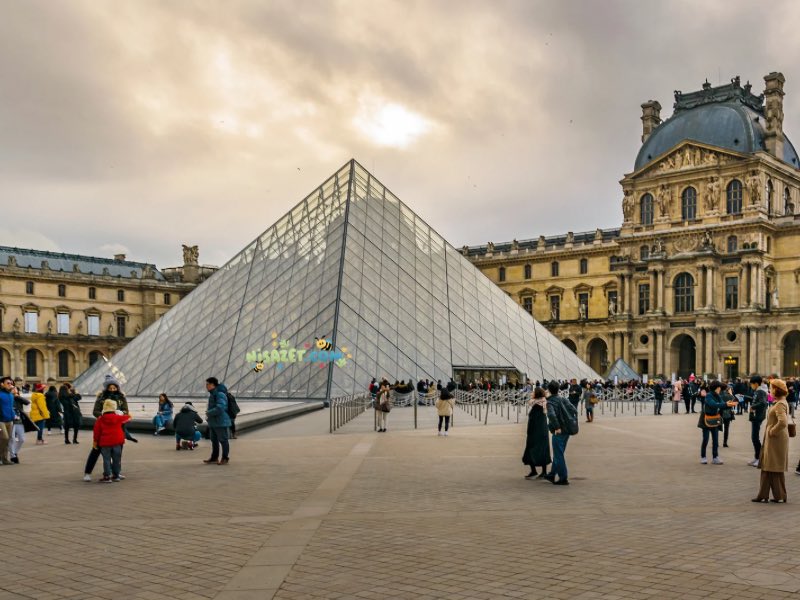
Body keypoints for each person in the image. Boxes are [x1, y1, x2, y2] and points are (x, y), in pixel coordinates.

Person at [84, 375, 133, 481]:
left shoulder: (121, 397)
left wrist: (121, 413)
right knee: (95, 451)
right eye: (110, 388)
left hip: (118, 427)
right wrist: (104, 415)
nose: (112, 390)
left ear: (117, 387)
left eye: (114, 388)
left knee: (117, 453)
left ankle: (116, 473)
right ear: (106, 388)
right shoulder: (101, 397)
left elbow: (126, 411)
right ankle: (87, 473)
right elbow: (95, 411)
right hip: (104, 427)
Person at [752, 379, 790, 503]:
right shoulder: (779, 401)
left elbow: (783, 422)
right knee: (768, 466)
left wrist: (772, 431)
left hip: (776, 439)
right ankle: (767, 495)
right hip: (775, 439)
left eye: (771, 388)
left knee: (773, 467)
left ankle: (778, 495)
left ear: (776, 390)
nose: (769, 390)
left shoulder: (780, 404)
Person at [544, 381, 577, 485]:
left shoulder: (550, 402)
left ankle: (563, 478)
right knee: (559, 453)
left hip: (559, 431)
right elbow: (574, 409)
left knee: (558, 454)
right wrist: (568, 419)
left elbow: (551, 415)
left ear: (549, 390)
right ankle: (552, 474)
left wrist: (557, 427)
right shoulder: (563, 399)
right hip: (567, 430)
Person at [93, 399, 131, 482]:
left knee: (106, 459)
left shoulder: (100, 419)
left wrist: (95, 441)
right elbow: (129, 417)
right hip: (117, 442)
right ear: (114, 408)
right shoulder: (118, 417)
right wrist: (121, 413)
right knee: (116, 459)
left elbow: (96, 431)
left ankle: (107, 476)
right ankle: (116, 476)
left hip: (105, 442)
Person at [698, 380, 729, 465]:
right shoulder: (708, 395)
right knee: (706, 439)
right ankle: (703, 456)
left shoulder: (717, 395)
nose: (720, 389)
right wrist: (726, 404)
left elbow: (722, 404)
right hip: (706, 420)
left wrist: (729, 404)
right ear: (715, 388)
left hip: (715, 419)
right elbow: (714, 405)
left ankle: (715, 457)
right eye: (719, 388)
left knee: (715, 439)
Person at [522, 387, 551, 479]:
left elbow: (533, 419)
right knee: (543, 449)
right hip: (543, 431)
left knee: (531, 449)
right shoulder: (543, 402)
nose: (532, 393)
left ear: (536, 394)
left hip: (534, 431)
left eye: (534, 392)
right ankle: (543, 472)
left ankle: (534, 471)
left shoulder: (536, 404)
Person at [203, 377, 231, 465]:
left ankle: (225, 458)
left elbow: (221, 407)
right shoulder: (213, 394)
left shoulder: (220, 394)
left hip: (220, 422)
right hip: (213, 422)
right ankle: (214, 457)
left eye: (207, 384)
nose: (206, 386)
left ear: (213, 385)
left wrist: (209, 412)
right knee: (214, 441)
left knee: (223, 440)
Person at [748, 375, 769, 468]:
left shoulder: (760, 391)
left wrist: (753, 407)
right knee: (754, 438)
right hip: (756, 417)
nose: (751, 386)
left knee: (755, 438)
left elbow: (763, 403)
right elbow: (756, 400)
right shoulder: (758, 391)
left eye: (751, 384)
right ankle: (756, 457)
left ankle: (759, 458)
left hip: (757, 417)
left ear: (756, 384)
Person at [9, 385, 31, 463]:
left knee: (22, 439)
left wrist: (17, 396)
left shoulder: (18, 398)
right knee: (12, 439)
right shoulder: (9, 398)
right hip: (10, 420)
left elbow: (27, 402)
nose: (14, 389)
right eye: (12, 388)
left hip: (19, 421)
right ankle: (13, 456)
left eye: (15, 388)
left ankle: (14, 452)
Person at [0, 377, 18, 464]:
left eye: (11, 383)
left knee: (7, 440)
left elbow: (11, 407)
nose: (10, 385)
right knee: (4, 438)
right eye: (8, 383)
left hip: (10, 420)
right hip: (1, 421)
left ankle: (4, 459)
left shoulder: (11, 395)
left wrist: (13, 415)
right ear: (2, 384)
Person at [721, 383, 736, 448]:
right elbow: (734, 403)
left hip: (720, 413)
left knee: (716, 428)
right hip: (728, 413)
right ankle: (725, 442)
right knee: (726, 429)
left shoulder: (721, 395)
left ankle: (714, 441)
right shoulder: (731, 396)